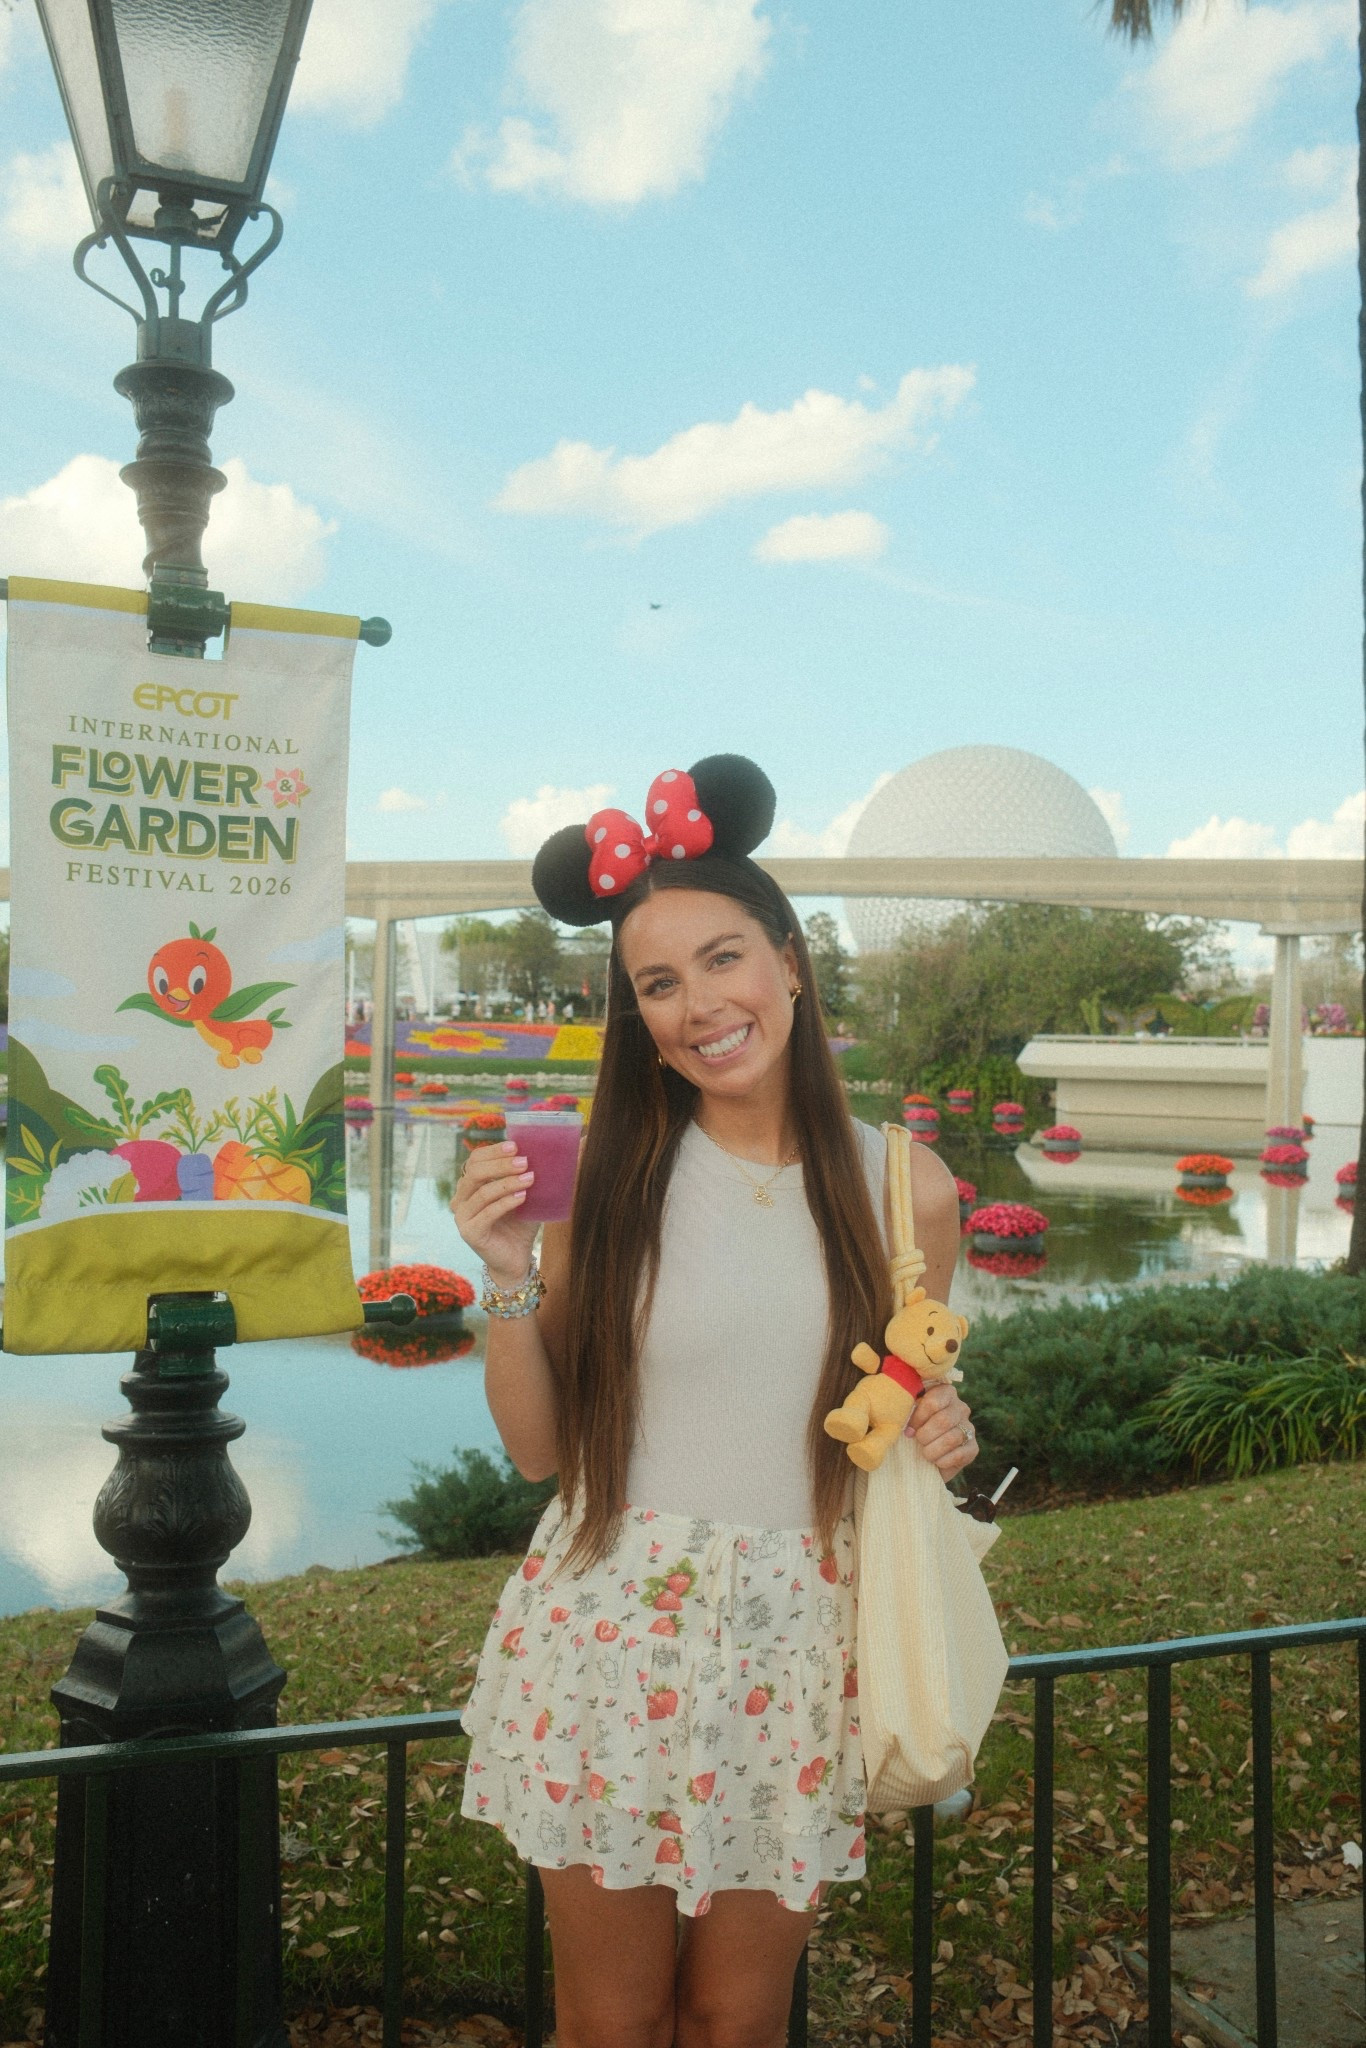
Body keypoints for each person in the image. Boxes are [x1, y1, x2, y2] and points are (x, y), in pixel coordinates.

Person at [451, 755, 979, 2048]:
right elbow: (533, 1449)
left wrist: (945, 1436)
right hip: (610, 1637)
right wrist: (508, 1280)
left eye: (723, 958)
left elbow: (908, 1404)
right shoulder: (601, 1178)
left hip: (799, 1646)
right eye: (658, 983)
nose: (700, 1005)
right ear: (636, 1013)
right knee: (610, 2024)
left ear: (789, 961)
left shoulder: (907, 1190)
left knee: (735, 2018)